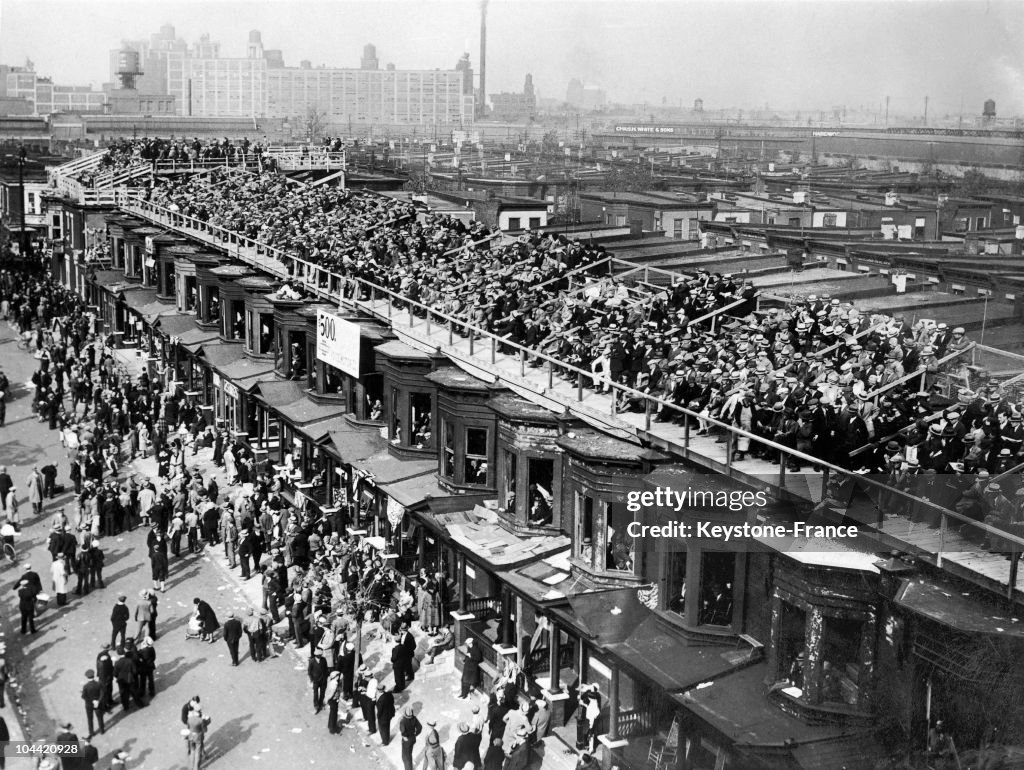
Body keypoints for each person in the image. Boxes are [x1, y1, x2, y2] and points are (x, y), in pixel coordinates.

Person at [81, 669, 104, 738]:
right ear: (93, 676)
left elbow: (84, 696)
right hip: (98, 704)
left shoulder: (86, 686)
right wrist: (98, 701)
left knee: (90, 718)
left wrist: (92, 701)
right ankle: (102, 730)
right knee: (100, 717)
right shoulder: (99, 683)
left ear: (87, 677)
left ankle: (91, 732)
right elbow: (102, 693)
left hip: (89, 705)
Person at [399, 705, 422, 770]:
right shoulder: (414, 718)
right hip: (412, 739)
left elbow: (403, 731)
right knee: (407, 754)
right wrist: (415, 734)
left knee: (407, 756)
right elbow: (420, 727)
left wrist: (404, 737)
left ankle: (408, 768)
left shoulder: (403, 721)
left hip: (406, 741)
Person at [308, 649, 329, 713]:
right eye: (318, 655)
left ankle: (320, 704)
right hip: (316, 680)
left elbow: (326, 669)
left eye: (320, 655)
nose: (320, 656)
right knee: (316, 694)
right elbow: (309, 671)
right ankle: (316, 706)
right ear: (316, 655)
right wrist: (312, 679)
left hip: (323, 680)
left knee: (322, 693)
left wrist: (326, 677)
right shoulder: (312, 661)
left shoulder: (323, 660)